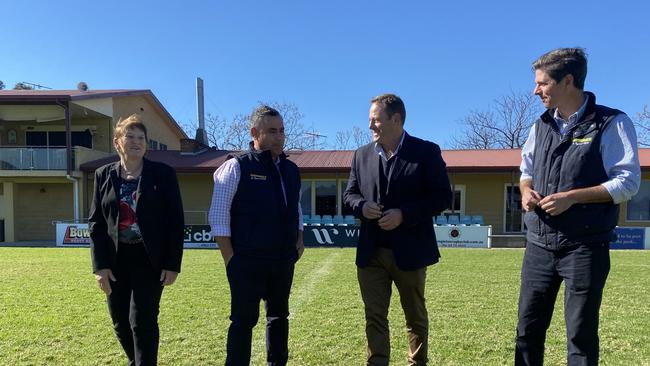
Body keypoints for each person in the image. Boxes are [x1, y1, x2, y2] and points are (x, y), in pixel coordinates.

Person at [516, 48, 640, 366]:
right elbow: (525, 173)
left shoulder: (611, 123)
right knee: (527, 333)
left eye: (542, 83)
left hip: (585, 246)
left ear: (567, 81)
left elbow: (627, 183)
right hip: (539, 245)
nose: (536, 90)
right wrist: (526, 191)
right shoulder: (539, 126)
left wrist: (572, 197)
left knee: (581, 337)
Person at [344, 94, 452, 366]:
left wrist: (404, 214)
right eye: (370, 120)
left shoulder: (426, 152)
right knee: (374, 315)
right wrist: (362, 206)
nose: (371, 126)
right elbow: (349, 196)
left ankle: (417, 363)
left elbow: (442, 197)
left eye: (376, 120)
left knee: (414, 316)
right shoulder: (361, 155)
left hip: (411, 252)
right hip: (371, 252)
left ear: (397, 119)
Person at [208, 105, 304, 366]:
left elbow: (295, 206)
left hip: (282, 260)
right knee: (243, 321)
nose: (279, 136)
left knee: (279, 318)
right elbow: (218, 216)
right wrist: (231, 261)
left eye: (282, 131)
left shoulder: (290, 169)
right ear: (254, 132)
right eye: (272, 131)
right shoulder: (236, 167)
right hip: (246, 261)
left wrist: (299, 239)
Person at [89, 114, 185, 366]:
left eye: (141, 138)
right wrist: (100, 266)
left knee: (141, 321)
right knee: (120, 322)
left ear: (146, 144)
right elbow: (96, 223)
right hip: (115, 260)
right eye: (129, 136)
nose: (136, 141)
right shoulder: (103, 175)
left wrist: (172, 263)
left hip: (149, 259)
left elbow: (175, 221)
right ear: (117, 142)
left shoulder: (162, 174)